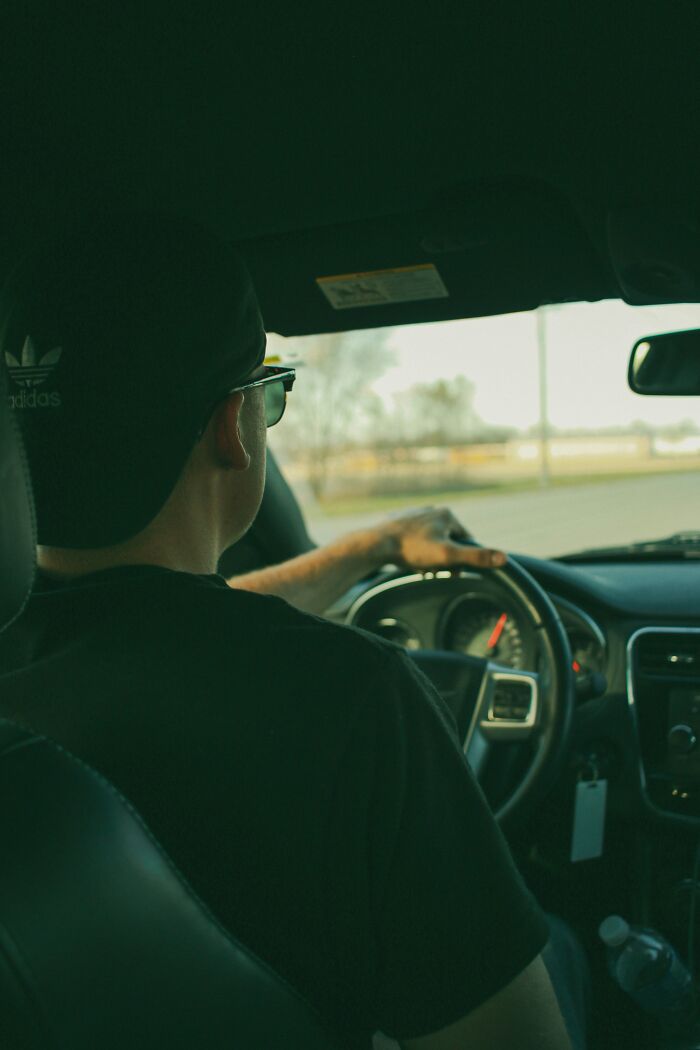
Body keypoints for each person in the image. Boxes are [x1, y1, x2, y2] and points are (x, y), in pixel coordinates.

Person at [0, 212, 584, 1049]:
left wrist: (368, 549)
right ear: (236, 427)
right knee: (563, 948)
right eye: (269, 396)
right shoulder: (355, 701)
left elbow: (158, 622)